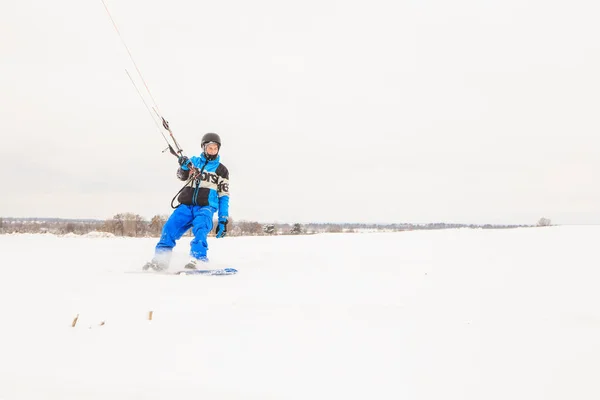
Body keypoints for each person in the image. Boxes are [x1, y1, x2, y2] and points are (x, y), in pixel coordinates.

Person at [143, 132, 229, 271]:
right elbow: (181, 176)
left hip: (206, 207)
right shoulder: (193, 162)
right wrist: (183, 166)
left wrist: (223, 219)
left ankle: (197, 259)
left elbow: (224, 196)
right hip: (186, 206)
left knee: (201, 229)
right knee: (169, 228)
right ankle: (161, 260)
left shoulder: (221, 170)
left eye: (215, 148)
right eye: (210, 148)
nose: (213, 151)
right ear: (204, 147)